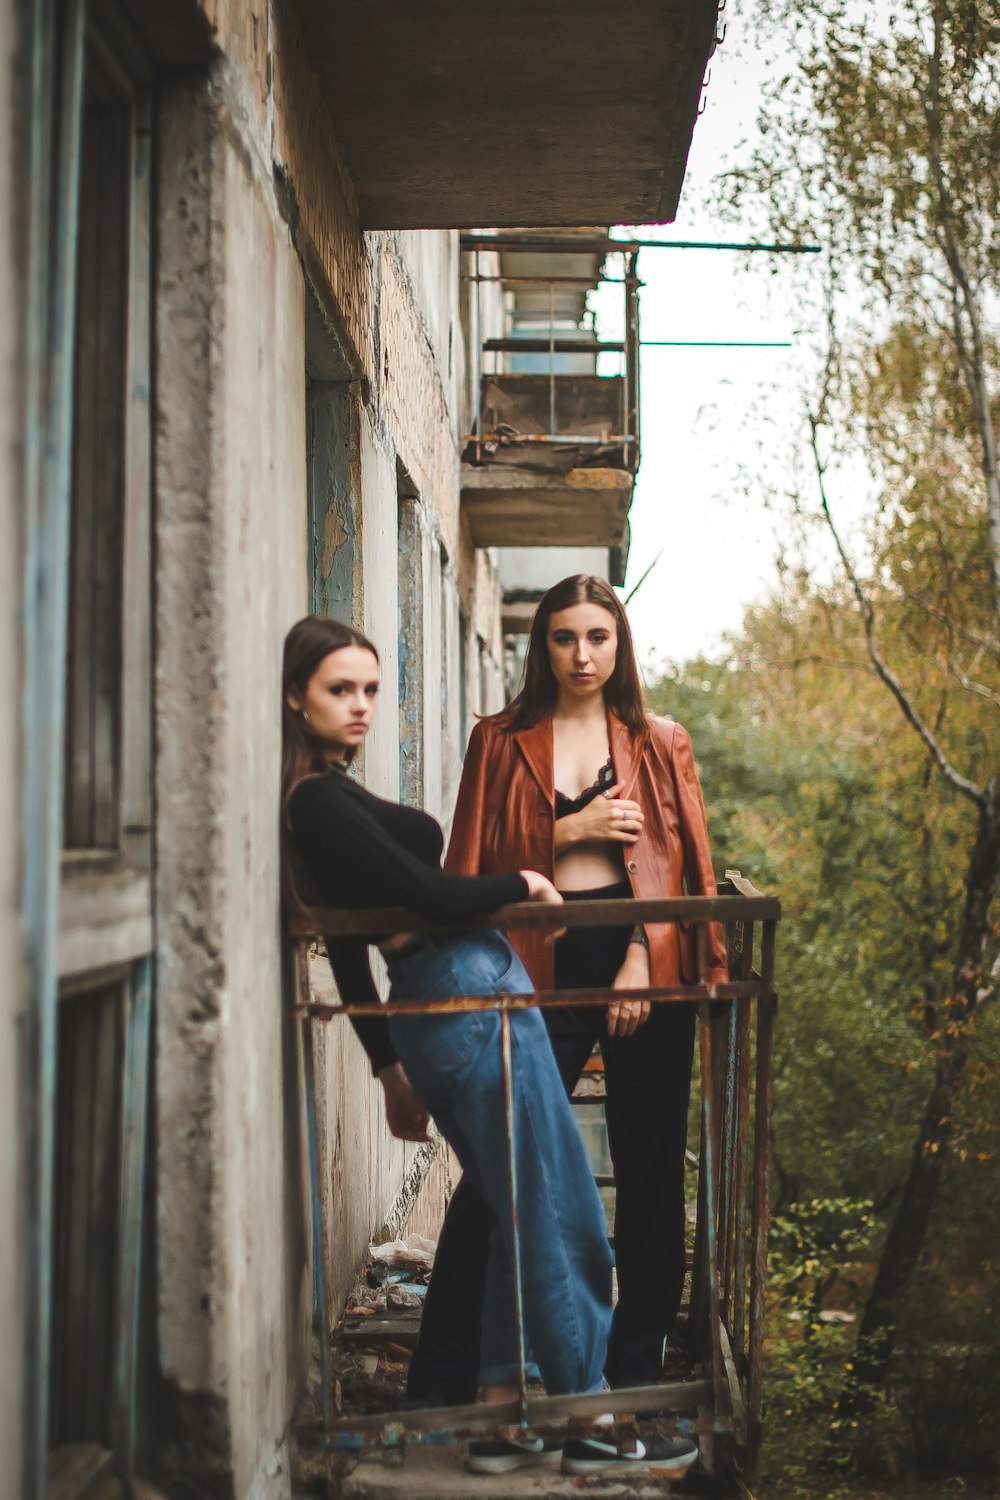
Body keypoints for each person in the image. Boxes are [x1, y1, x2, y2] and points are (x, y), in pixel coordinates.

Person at [281, 614, 618, 1472]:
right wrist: (522, 880)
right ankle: (587, 1420)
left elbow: (353, 945)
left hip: (442, 1003)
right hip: (467, 991)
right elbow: (427, 895)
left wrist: (389, 1065)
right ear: (294, 697)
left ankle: (501, 1416)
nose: (359, 706)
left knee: (514, 1205)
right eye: (337, 690)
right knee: (561, 1207)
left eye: (368, 689)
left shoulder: (332, 796)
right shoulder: (316, 801)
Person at [406, 574, 728, 1415]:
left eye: (598, 636)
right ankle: (443, 1378)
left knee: (652, 1176)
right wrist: (566, 831)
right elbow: (471, 869)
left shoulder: (659, 741)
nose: (581, 655)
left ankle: (634, 1377)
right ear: (539, 646)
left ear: (619, 644)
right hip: (528, 962)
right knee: (494, 1175)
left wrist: (642, 960)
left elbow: (683, 868)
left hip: (637, 966)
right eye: (563, 637)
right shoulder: (501, 738)